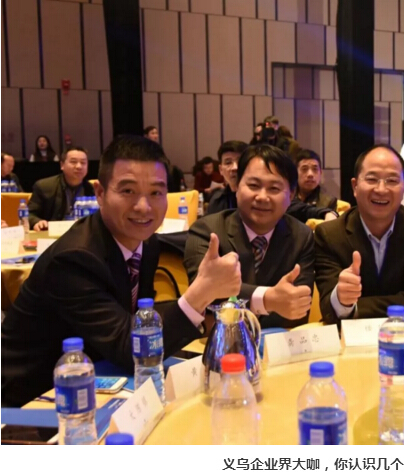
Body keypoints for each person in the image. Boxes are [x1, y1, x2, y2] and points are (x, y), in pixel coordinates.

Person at [1, 135, 242, 407]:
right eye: (128, 191)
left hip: (100, 377)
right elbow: (132, 350)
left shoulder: (145, 243)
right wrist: (199, 294)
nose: (143, 207)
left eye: (156, 193)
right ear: (100, 193)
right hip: (33, 400)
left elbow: (136, 319)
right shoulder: (73, 259)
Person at [185, 144, 314, 329]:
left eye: (274, 188)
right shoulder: (207, 231)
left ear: (291, 195)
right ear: (237, 186)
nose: (262, 197)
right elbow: (202, 295)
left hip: (278, 342)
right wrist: (268, 299)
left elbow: (297, 306)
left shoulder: (302, 236)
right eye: (253, 185)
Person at [314, 144, 404, 324]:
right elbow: (329, 308)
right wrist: (341, 299)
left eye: (392, 180)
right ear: (355, 186)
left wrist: (355, 307)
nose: (381, 189)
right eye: (372, 179)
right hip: (349, 338)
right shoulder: (329, 236)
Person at [208, 142, 337, 223]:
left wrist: (327, 213)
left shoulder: (273, 199)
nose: (235, 167)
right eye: (228, 162)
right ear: (220, 169)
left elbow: (301, 209)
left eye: (239, 161)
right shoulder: (216, 199)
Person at [27, 146, 95, 230]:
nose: (79, 166)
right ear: (62, 165)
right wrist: (37, 222)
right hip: (53, 234)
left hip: (82, 233)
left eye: (83, 162)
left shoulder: (93, 190)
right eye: (73, 162)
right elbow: (28, 214)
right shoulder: (44, 186)